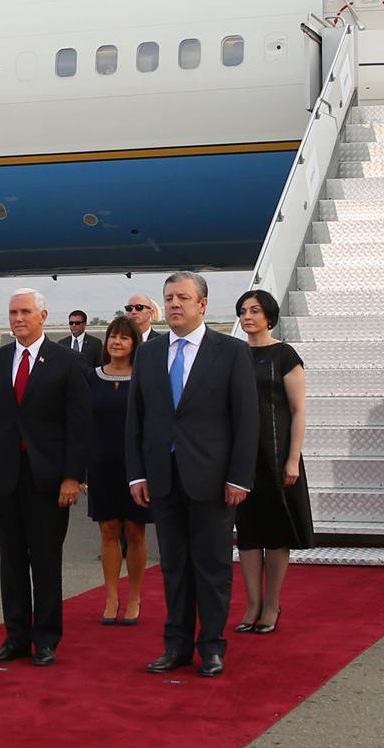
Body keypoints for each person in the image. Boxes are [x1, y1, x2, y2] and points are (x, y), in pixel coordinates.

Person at [127, 271, 259, 678]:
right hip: (163, 479)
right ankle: (177, 646)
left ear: (202, 304)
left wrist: (239, 477)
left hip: (213, 480)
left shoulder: (231, 352)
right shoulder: (149, 354)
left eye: (183, 298)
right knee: (174, 567)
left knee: (212, 567)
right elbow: (136, 418)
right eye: (168, 298)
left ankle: (212, 646)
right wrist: (137, 474)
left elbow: (246, 420)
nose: (174, 304)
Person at [0, 289, 90, 666]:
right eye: (13, 312)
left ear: (43, 316)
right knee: (12, 559)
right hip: (5, 476)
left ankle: (46, 638)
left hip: (48, 479)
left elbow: (79, 426)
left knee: (46, 559)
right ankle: (16, 637)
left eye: (25, 312)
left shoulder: (67, 362)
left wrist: (73, 476)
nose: (18, 318)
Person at [232, 290, 315, 630]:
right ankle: (252, 605)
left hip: (277, 454)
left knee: (277, 533)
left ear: (269, 316)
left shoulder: (284, 355)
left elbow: (298, 410)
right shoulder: (233, 354)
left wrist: (292, 460)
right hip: (241, 457)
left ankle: (272, 604)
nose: (247, 316)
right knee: (248, 533)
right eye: (242, 311)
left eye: (255, 310)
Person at [85, 315, 150, 624]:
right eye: (113, 336)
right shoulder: (90, 378)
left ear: (135, 343)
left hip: (136, 467)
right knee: (108, 530)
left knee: (135, 531)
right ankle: (111, 596)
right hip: (101, 465)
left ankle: (134, 596)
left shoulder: (145, 378)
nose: (117, 341)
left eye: (124, 337)